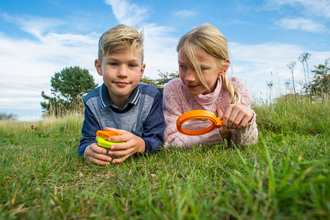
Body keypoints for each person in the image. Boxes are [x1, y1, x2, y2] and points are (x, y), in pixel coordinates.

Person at [78, 24, 165, 165]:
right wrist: (88, 151)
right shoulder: (91, 101)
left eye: (132, 65)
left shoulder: (150, 96)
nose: (123, 73)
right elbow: (87, 141)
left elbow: (157, 141)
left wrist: (140, 144)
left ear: (141, 70)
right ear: (99, 67)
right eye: (113, 63)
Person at [163, 24, 258, 148]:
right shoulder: (174, 89)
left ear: (223, 68)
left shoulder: (236, 87)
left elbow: (245, 144)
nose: (188, 78)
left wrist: (247, 120)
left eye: (201, 68)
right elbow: (170, 141)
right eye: (182, 66)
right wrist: (219, 133)